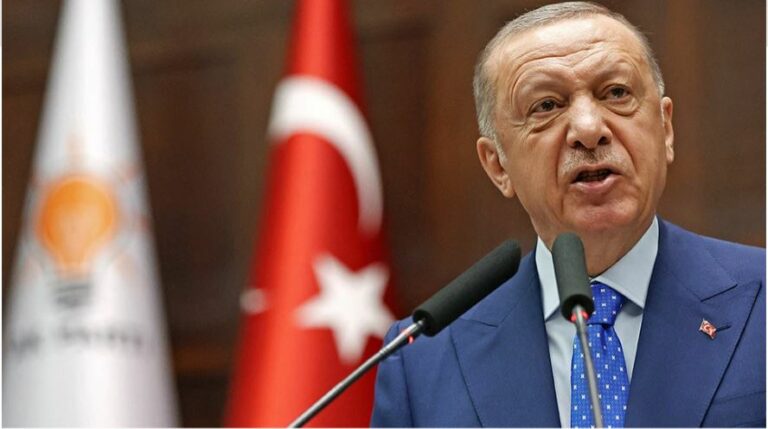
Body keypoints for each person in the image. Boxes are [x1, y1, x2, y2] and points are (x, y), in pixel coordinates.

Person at [370, 2, 765, 427]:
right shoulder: (425, 360)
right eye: (546, 105)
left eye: (616, 93)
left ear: (665, 128)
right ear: (498, 165)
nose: (589, 129)